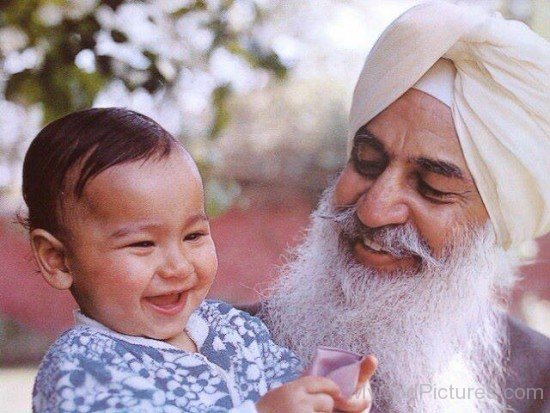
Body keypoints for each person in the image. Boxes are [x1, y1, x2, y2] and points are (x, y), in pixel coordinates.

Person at [260, 2, 550, 413]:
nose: (373, 211)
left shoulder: (541, 384)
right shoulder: (213, 344)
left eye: (433, 188)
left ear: (494, 222)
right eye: (367, 162)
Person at [23, 108, 375, 412]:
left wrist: (327, 393)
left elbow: (287, 388)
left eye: (193, 236)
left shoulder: (232, 330)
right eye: (143, 244)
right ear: (59, 261)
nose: (178, 266)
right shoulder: (81, 366)